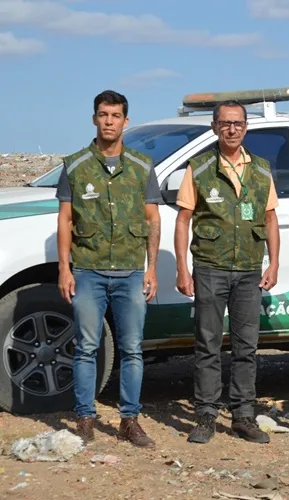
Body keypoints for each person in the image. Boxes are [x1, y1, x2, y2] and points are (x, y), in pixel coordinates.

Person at [56, 90, 161, 448]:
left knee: (132, 348)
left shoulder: (142, 166)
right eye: (103, 114)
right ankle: (85, 418)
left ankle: (129, 420)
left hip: (131, 270)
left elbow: (152, 218)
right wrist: (64, 269)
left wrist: (151, 269)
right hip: (88, 269)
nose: (109, 121)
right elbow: (65, 219)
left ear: (125, 121)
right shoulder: (75, 165)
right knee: (87, 347)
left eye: (116, 115)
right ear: (94, 119)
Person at [174, 100, 280, 445]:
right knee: (207, 344)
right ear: (214, 127)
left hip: (249, 269)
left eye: (238, 123)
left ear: (246, 127)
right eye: (225, 123)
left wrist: (274, 262)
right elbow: (183, 220)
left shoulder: (262, 170)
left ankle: (243, 416)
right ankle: (205, 415)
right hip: (210, 267)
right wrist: (181, 268)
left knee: (246, 346)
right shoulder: (200, 168)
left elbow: (270, 219)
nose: (232, 129)